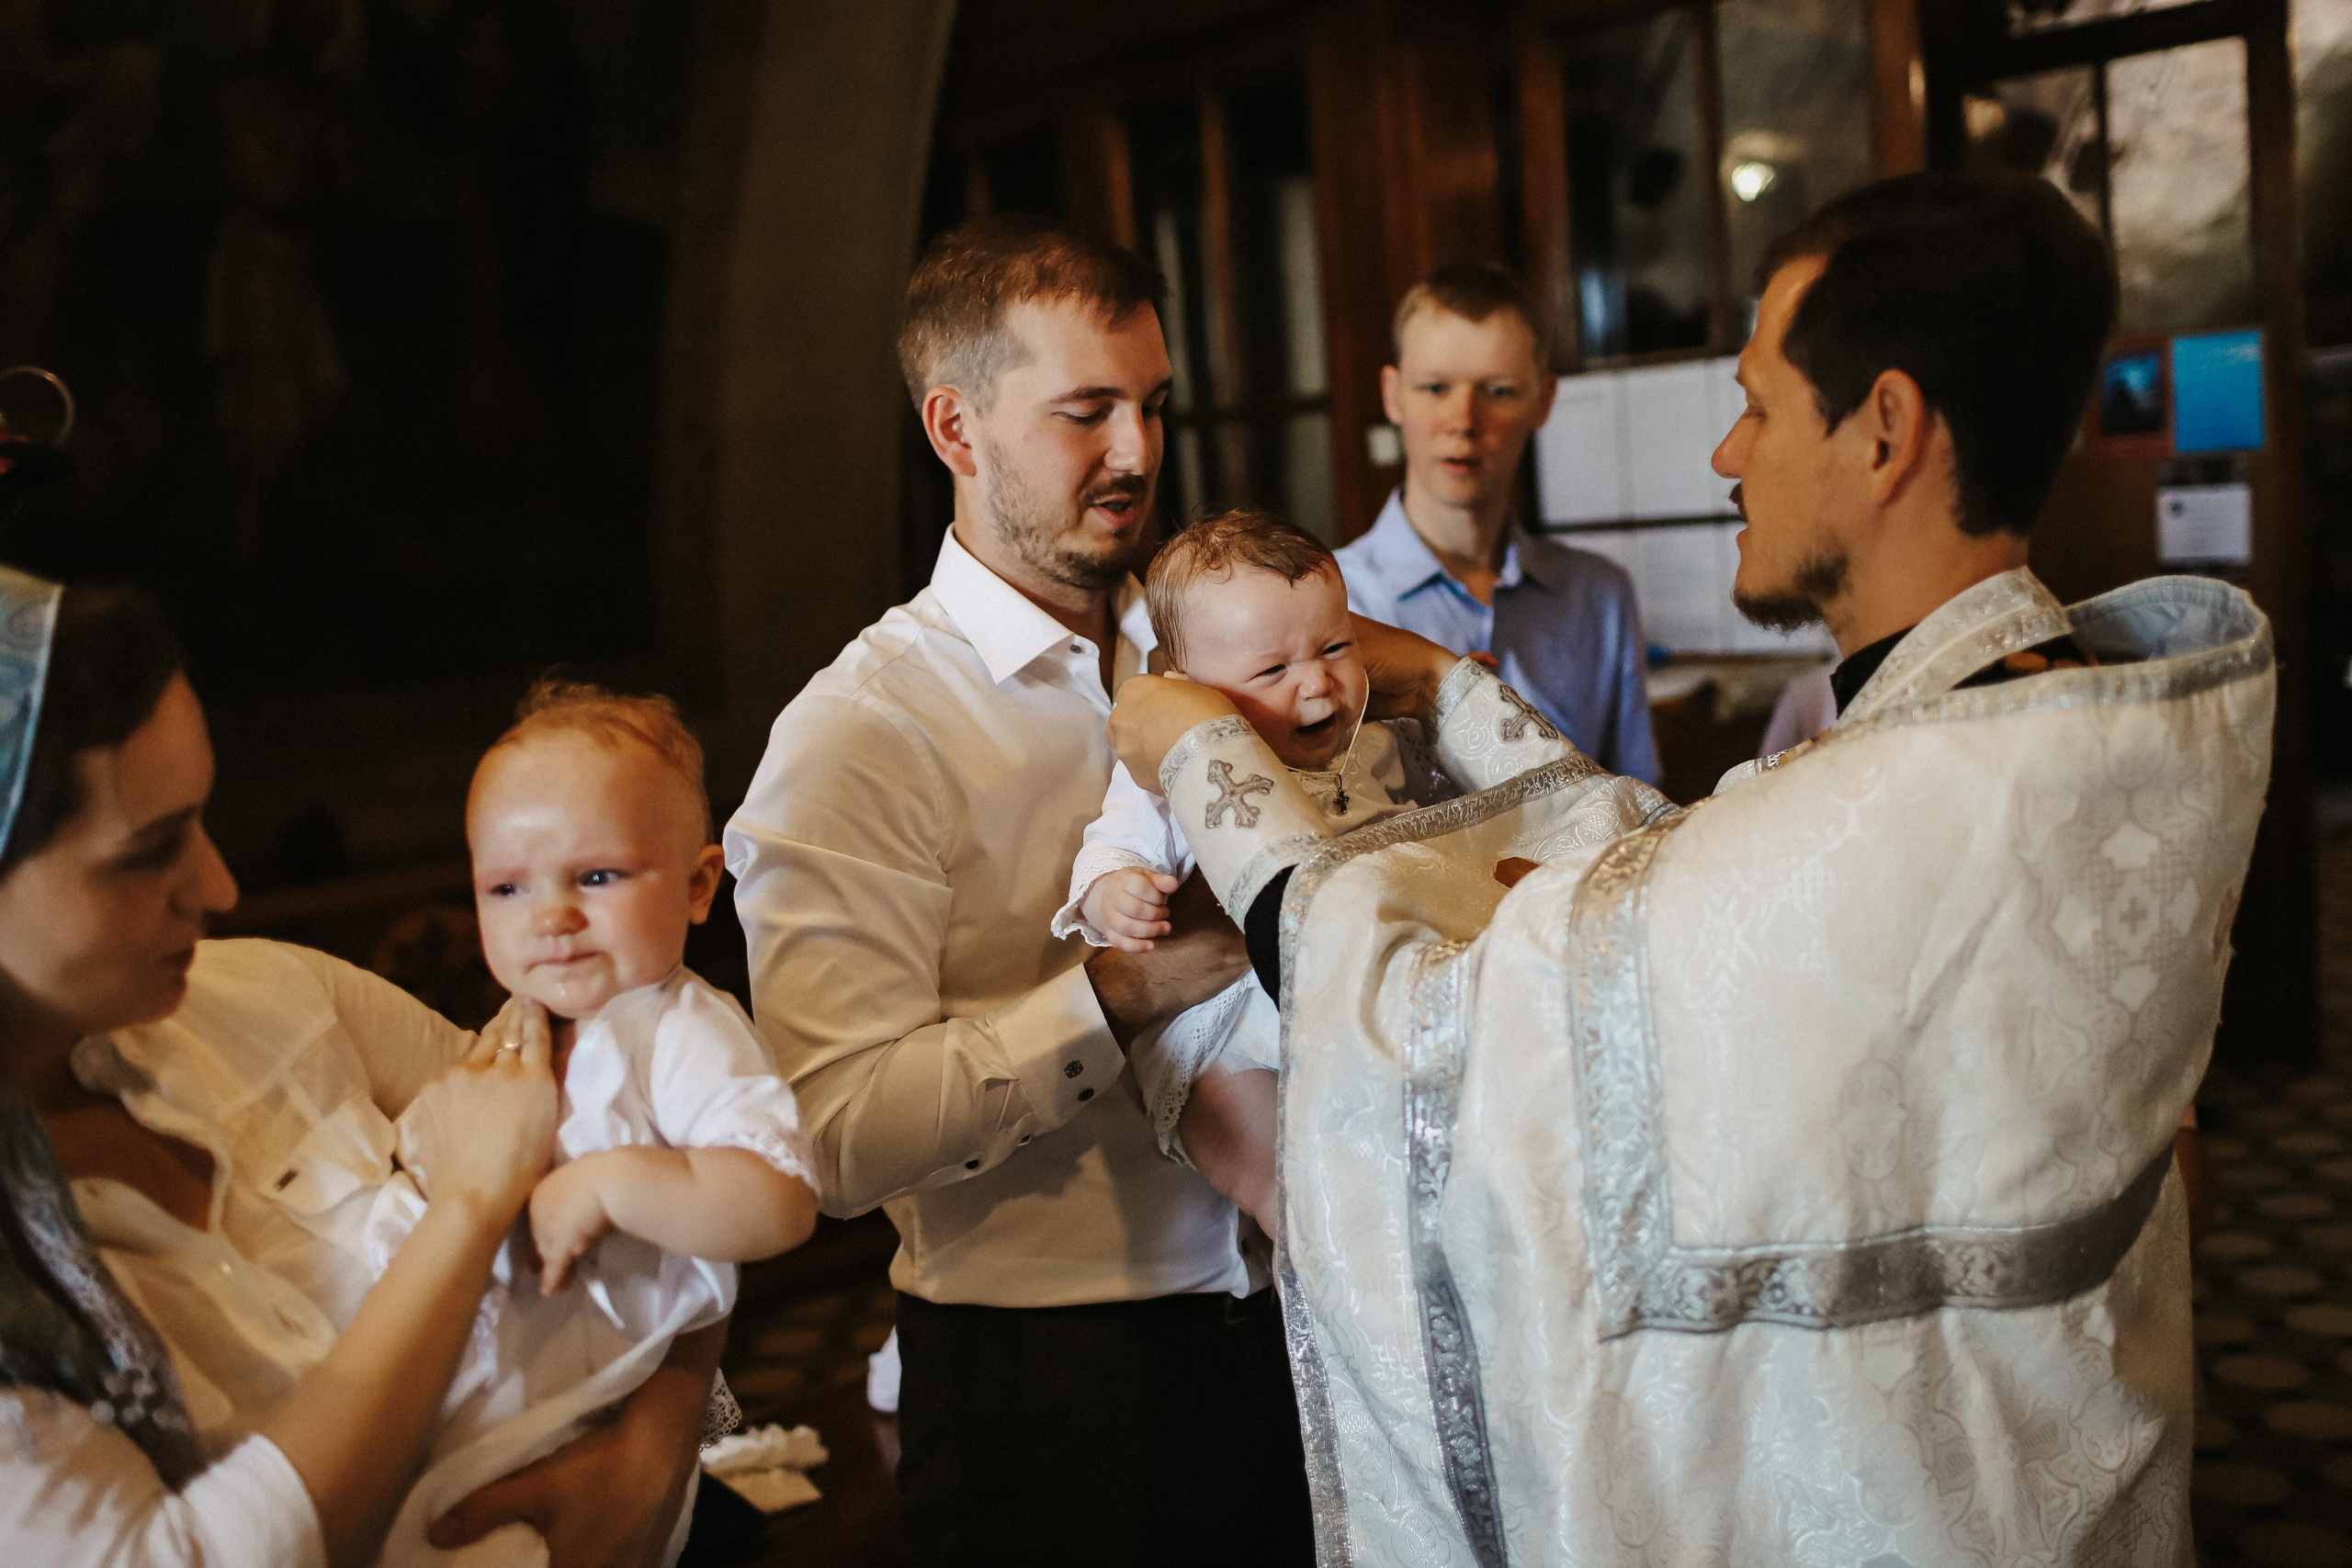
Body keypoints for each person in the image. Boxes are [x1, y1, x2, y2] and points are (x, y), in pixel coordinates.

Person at [1107, 174, 2270, 1563]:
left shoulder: (1893, 802)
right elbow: (1669, 870)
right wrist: (1459, 695)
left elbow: (1430, 1046)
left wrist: (1202, 761)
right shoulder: (2062, 717)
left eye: (1761, 402)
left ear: (1885, 428)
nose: (1728, 451)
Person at [724, 217, 1314, 1566]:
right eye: (1085, 412)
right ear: (956, 424)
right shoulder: (860, 734)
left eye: (1154, 405)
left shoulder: (1209, 646)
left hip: (1290, 1322)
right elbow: (836, 1136)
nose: (1139, 452)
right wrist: (1124, 988)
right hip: (1048, 1395)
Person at [0, 577, 723, 1568]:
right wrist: (468, 1207)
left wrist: (657, 1441)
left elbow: (661, 1146)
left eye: (204, 822)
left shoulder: (269, 999)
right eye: (149, 852)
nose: (218, 886)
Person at [363, 680, 820, 1561]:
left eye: (597, 876)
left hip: (592, 1412)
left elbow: (778, 1201)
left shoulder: (680, 1031)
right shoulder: (521, 1024)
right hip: (495, 1387)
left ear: (696, 885)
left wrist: (605, 1184)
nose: (552, 916)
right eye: (507, 887)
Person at [1052, 509, 1448, 1225]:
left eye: (1336, 647)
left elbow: (1422, 806)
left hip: (1351, 999)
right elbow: (1116, 843)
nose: (1317, 684)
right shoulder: (1169, 771)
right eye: (1273, 669)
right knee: (1283, 1186)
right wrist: (1116, 892)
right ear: (1188, 687)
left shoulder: (1369, 747)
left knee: (1388, 1164)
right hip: (1221, 1029)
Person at [1336, 262, 1659, 782]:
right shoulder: (1333, 601)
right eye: (1435, 388)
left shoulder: (1599, 596)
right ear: (1393, 395)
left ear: (1544, 400)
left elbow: (1641, 800)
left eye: (1499, 391)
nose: (1464, 422)